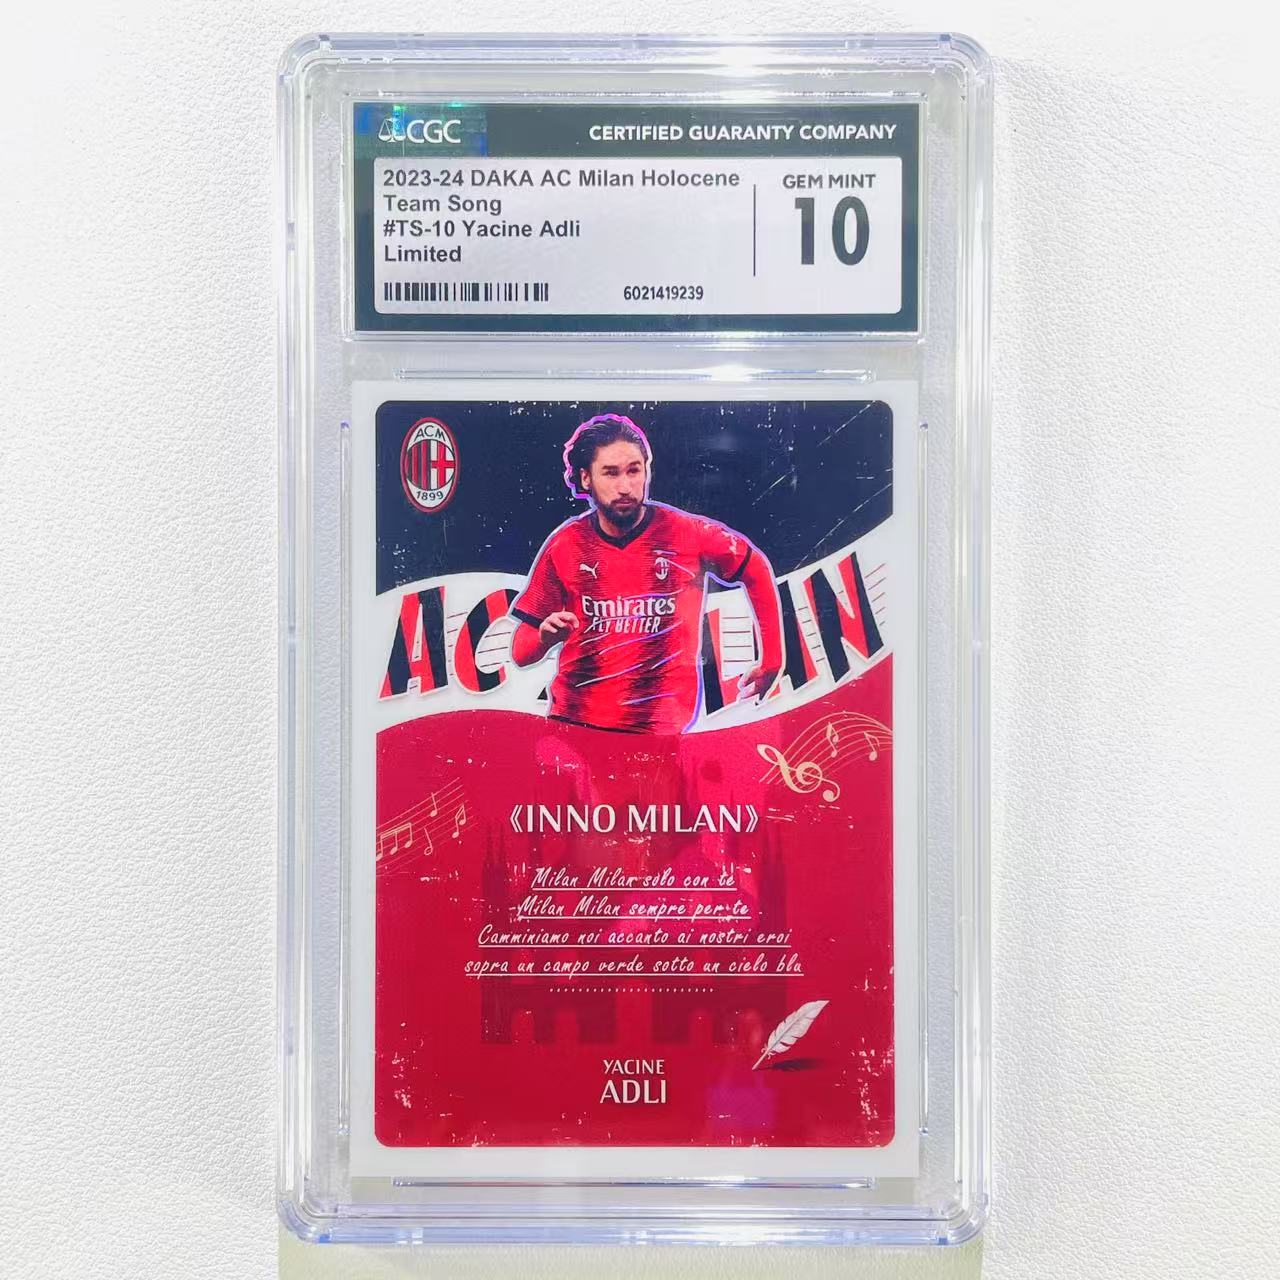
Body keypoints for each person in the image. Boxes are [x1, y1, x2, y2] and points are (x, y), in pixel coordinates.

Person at [510, 413, 783, 734]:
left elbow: (755, 567)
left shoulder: (687, 533)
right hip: (577, 726)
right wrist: (544, 637)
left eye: (634, 470)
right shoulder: (565, 545)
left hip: (659, 732)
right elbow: (521, 652)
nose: (625, 486)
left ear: (646, 470)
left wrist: (772, 659)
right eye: (610, 473)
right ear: (585, 478)